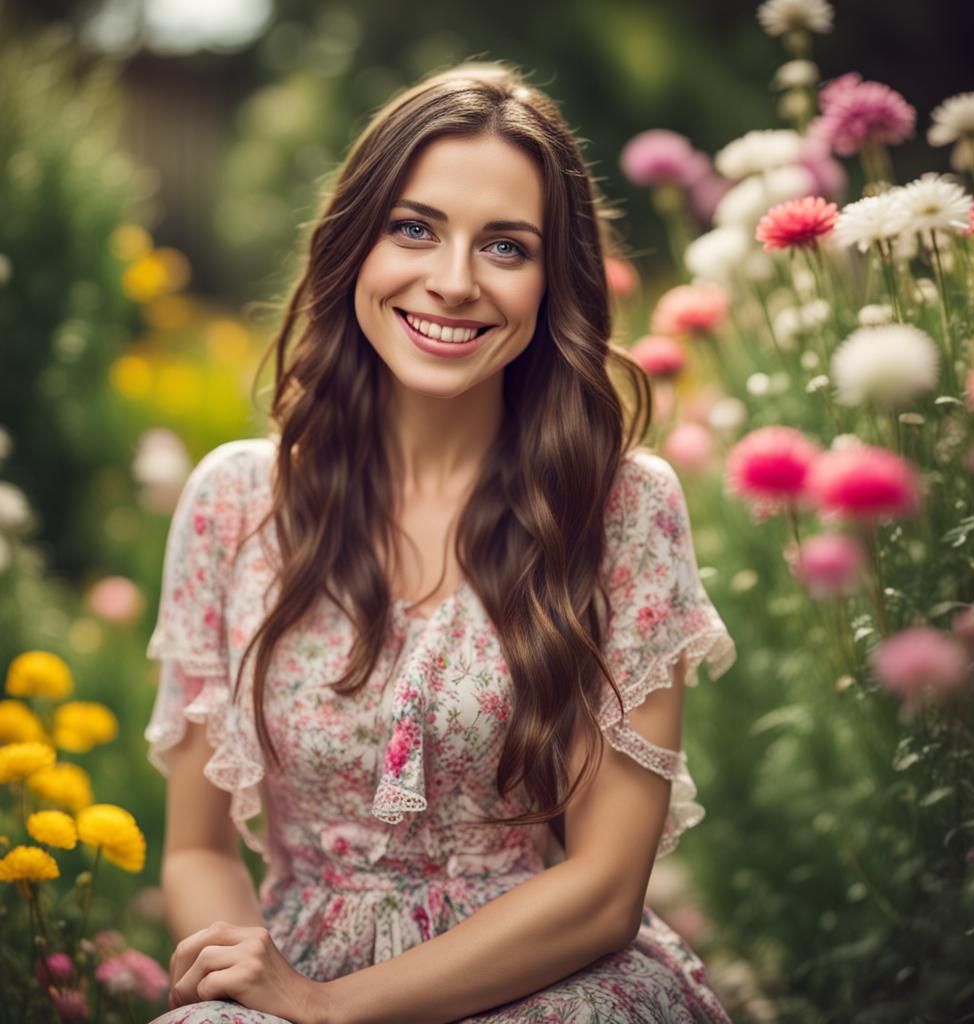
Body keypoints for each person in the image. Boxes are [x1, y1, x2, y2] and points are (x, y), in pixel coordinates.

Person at [143, 59, 737, 1024]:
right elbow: (199, 848)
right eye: (414, 229)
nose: (453, 283)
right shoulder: (234, 503)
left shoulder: (618, 507)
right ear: (355, 248)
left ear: (554, 281)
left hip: (543, 977)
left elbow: (604, 889)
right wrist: (246, 988)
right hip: (289, 966)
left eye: (506, 247)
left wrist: (336, 1008)